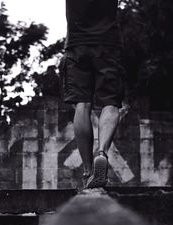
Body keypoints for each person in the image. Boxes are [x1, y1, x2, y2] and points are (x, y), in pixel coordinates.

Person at [61, 0, 125, 188]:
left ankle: (88, 171)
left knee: (82, 105)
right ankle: (102, 154)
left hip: (76, 44)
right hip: (108, 44)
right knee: (110, 103)